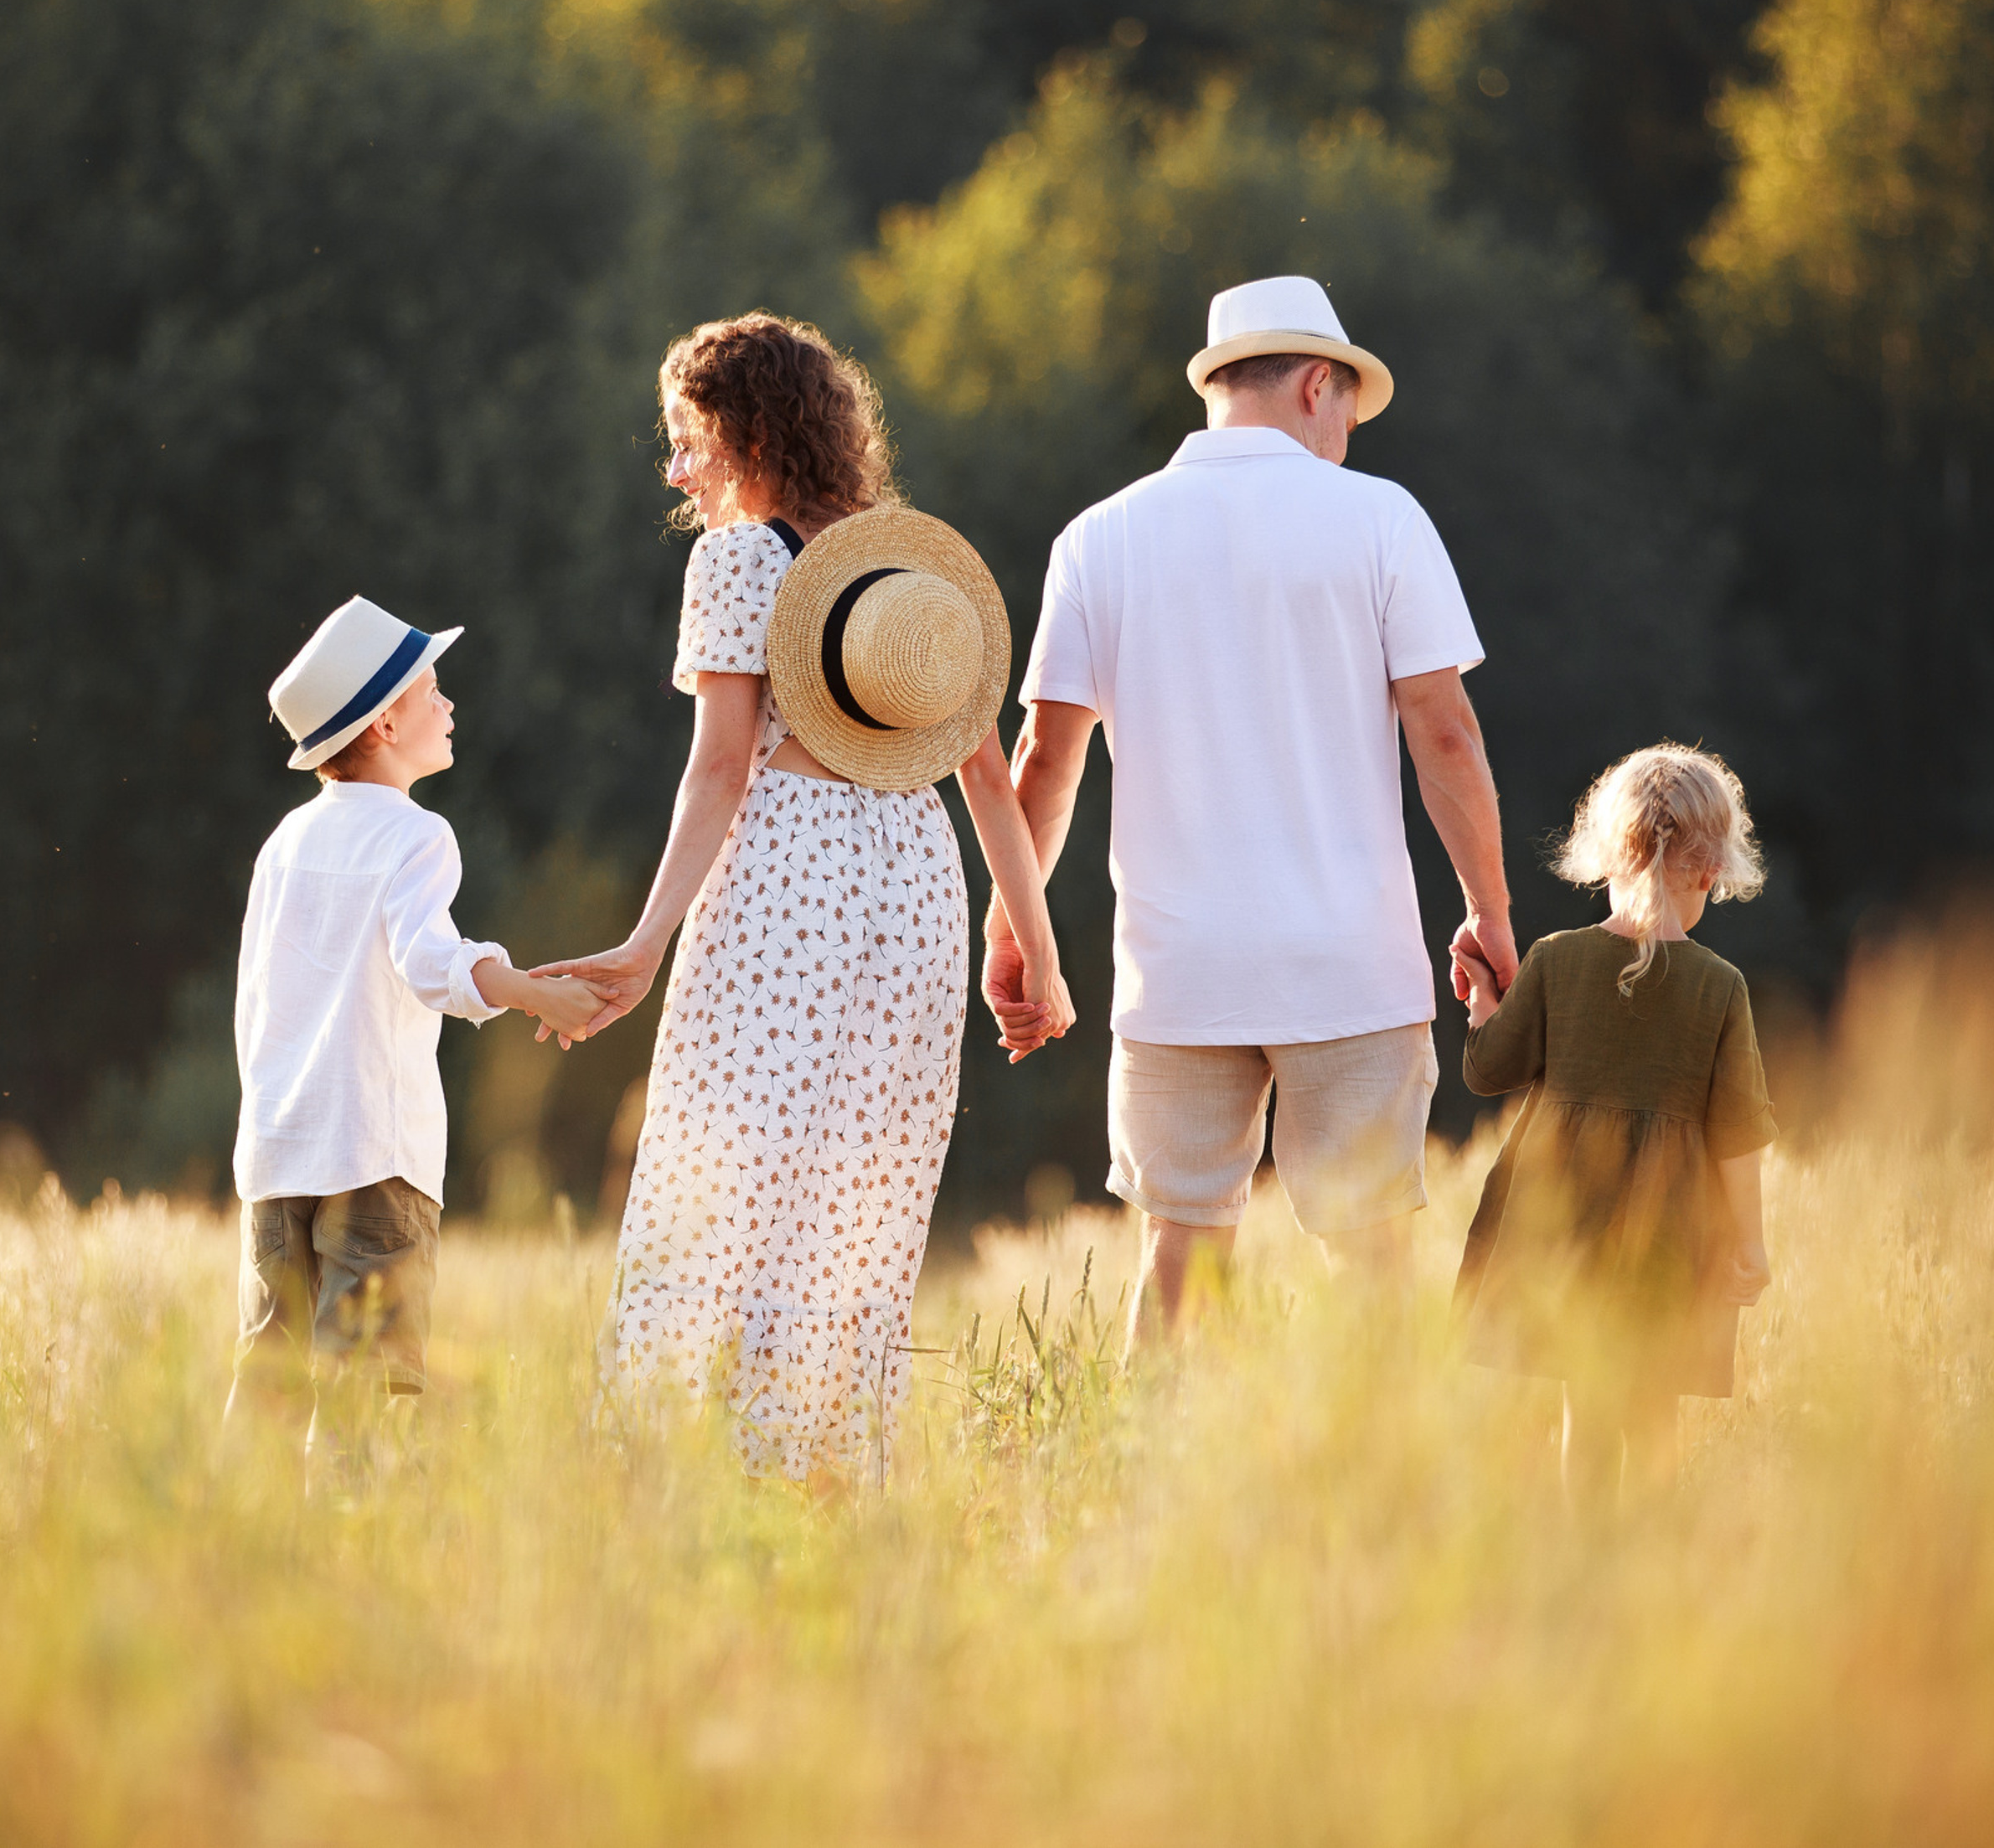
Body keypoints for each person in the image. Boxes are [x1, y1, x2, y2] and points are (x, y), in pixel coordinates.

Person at [542, 312, 1072, 1491]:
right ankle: (824, 1470)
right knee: (860, 1186)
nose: (678, 471)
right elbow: (988, 777)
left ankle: (685, 1466)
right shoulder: (918, 565)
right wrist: (1042, 953)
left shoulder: (735, 561)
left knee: (727, 1167)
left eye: (687, 440)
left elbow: (722, 767)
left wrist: (642, 943)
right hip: (915, 881)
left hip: (791, 876)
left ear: (745, 432)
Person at [989, 276, 1513, 1342]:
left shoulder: (1098, 536)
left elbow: (1043, 758)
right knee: (1370, 1259)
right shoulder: (1381, 519)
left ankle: (1142, 1486)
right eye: (1349, 420)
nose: (1347, 443)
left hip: (1179, 974)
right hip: (1350, 965)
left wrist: (1016, 926)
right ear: (1318, 385)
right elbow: (1445, 733)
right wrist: (1488, 910)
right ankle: (1370, 1493)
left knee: (1176, 1255)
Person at [225, 596, 606, 1494]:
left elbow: (257, 1000)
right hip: (374, 1155)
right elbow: (431, 963)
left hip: (278, 1156)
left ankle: (234, 1555)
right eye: (433, 690)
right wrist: (530, 990)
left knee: (271, 1376)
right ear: (387, 719)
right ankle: (343, 1555)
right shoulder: (416, 835)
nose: (449, 706)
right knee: (362, 1383)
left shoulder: (283, 843)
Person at [1452, 744, 1775, 1515]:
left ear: (1606, 857)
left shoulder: (1554, 960)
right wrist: (1751, 1241)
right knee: (1653, 1406)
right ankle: (1653, 1556)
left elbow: (1488, 1069)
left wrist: (1483, 1003)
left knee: (1586, 1409)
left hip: (1566, 1222)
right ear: (1708, 871)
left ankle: (1586, 1554)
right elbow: (1738, 1135)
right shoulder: (1720, 987)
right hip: (1669, 1229)